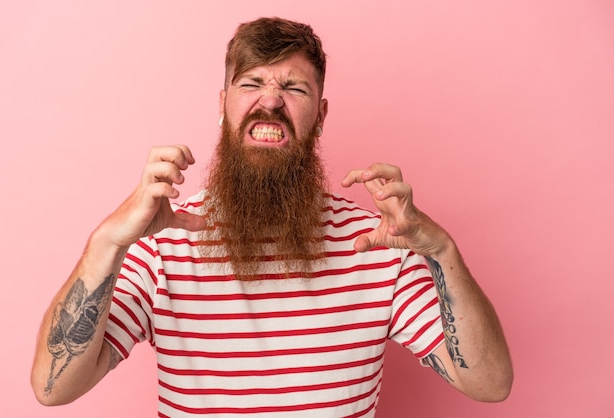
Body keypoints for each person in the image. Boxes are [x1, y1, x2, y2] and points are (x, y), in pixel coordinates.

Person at [31, 17, 513, 417]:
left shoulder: (377, 243)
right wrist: (107, 242)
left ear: (321, 115)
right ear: (223, 106)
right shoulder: (160, 242)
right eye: (252, 82)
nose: (271, 100)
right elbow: (54, 389)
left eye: (293, 87)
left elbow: (490, 384)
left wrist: (442, 252)